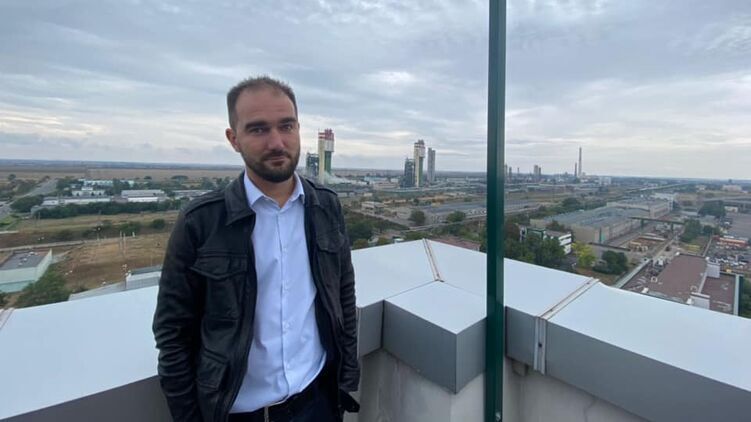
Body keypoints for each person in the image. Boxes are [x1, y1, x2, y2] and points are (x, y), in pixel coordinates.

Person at [153, 76, 360, 422]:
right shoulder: (201, 222)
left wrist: (346, 379)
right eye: (258, 129)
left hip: (318, 403)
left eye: (286, 126)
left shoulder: (326, 207)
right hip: (238, 413)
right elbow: (172, 333)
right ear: (233, 139)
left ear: (299, 129)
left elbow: (343, 295)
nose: (277, 142)